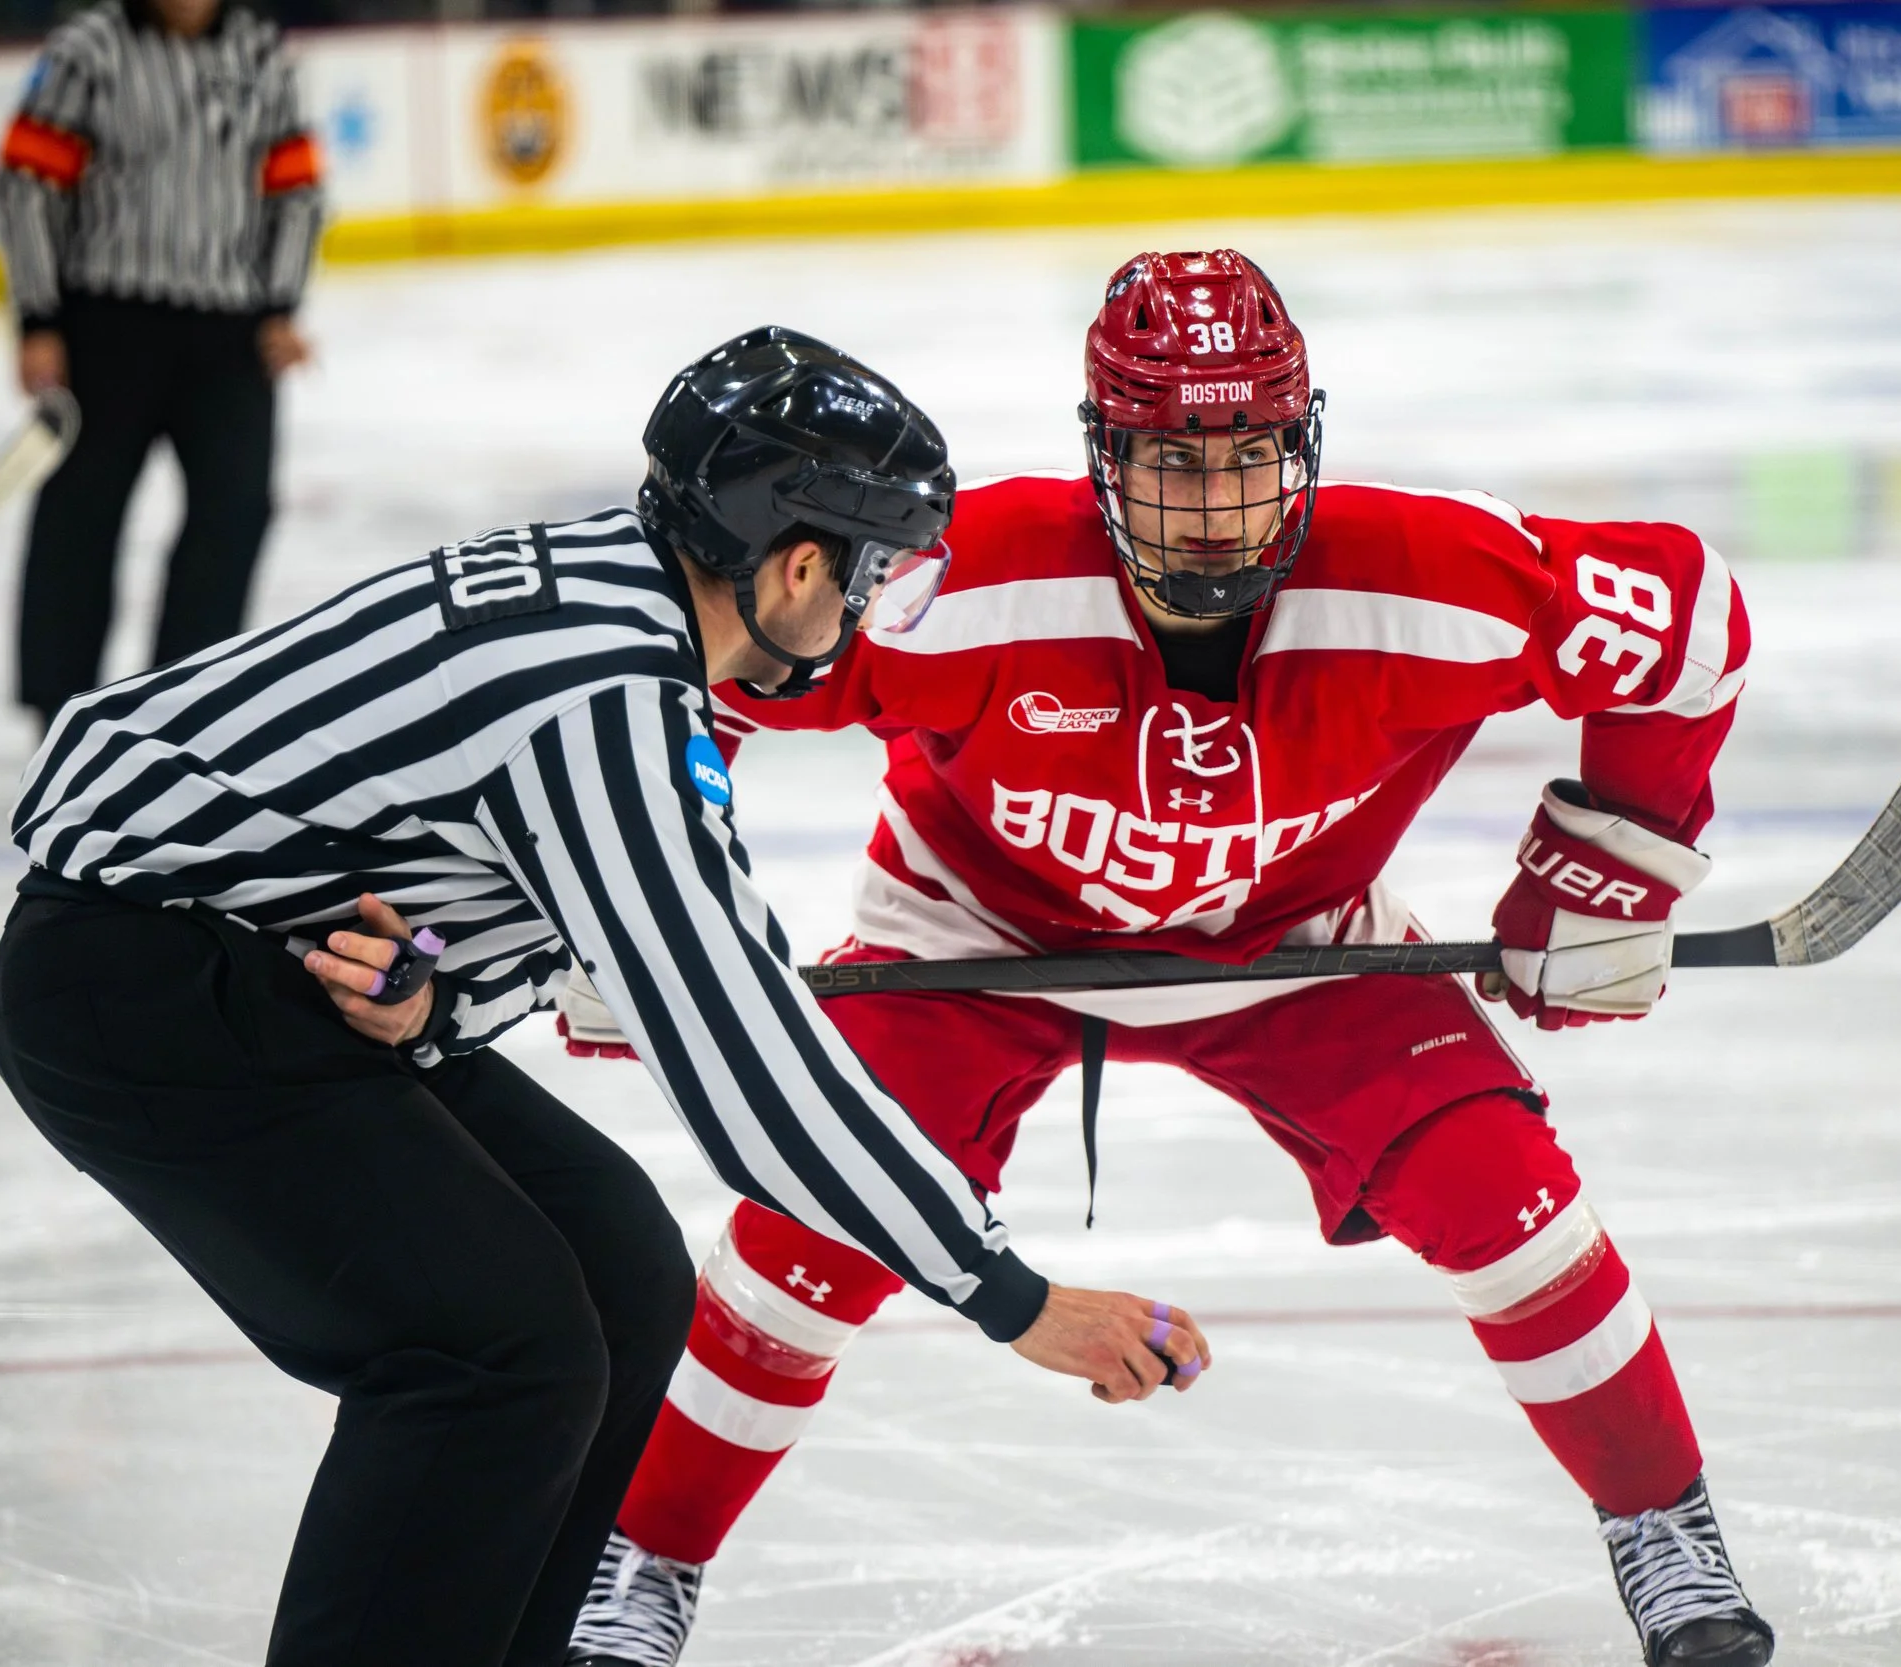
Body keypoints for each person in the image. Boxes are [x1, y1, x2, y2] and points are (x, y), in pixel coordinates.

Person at [563, 253, 1772, 1667]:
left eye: (1251, 452)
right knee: (807, 1234)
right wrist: (613, 899)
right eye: (1171, 457)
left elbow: (1690, 623)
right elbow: (678, 674)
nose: (1216, 500)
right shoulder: (963, 582)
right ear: (1102, 455)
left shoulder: (1429, 575)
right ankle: (643, 1564)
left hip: (1296, 941)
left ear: (1300, 444)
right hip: (975, 937)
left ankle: (1665, 1528)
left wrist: (1612, 857)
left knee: (1506, 1199)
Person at [0, 328, 1207, 1667]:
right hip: (130, 988)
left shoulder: (612, 592)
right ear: (796, 560)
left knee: (620, 1272)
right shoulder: (607, 694)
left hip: (243, 963)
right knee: (495, 1351)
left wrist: (422, 987)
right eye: (869, 574)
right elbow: (752, 1070)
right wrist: (1009, 1293)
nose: (862, 612)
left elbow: (411, 826)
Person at [0, 0, 324, 732]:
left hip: (230, 332)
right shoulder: (90, 50)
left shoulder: (259, 52)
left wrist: (280, 305)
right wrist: (38, 318)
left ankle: (184, 709)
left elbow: (294, 186)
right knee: (81, 515)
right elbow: (26, 184)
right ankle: (59, 708)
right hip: (108, 323)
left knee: (235, 513)